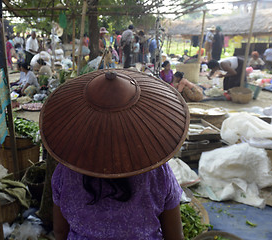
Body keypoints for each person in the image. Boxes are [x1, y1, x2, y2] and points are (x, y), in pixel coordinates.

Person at [42, 70, 186, 240]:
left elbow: (60, 231)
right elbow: (174, 235)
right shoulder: (158, 172)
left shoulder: (65, 173)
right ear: (138, 129)